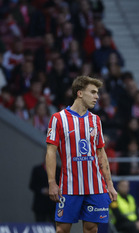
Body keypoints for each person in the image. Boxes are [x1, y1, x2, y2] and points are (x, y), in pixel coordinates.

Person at [45, 75, 118, 233]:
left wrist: (109, 184)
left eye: (97, 93)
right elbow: (50, 152)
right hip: (69, 187)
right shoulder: (58, 118)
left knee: (92, 229)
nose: (97, 96)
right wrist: (52, 182)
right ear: (79, 93)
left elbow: (101, 153)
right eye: (92, 92)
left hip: (96, 187)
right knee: (62, 230)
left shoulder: (96, 120)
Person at [30, 158, 60, 222]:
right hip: (40, 204)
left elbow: (62, 184)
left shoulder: (58, 170)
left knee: (54, 225)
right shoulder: (37, 170)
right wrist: (42, 190)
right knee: (40, 224)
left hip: (54, 204)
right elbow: (32, 185)